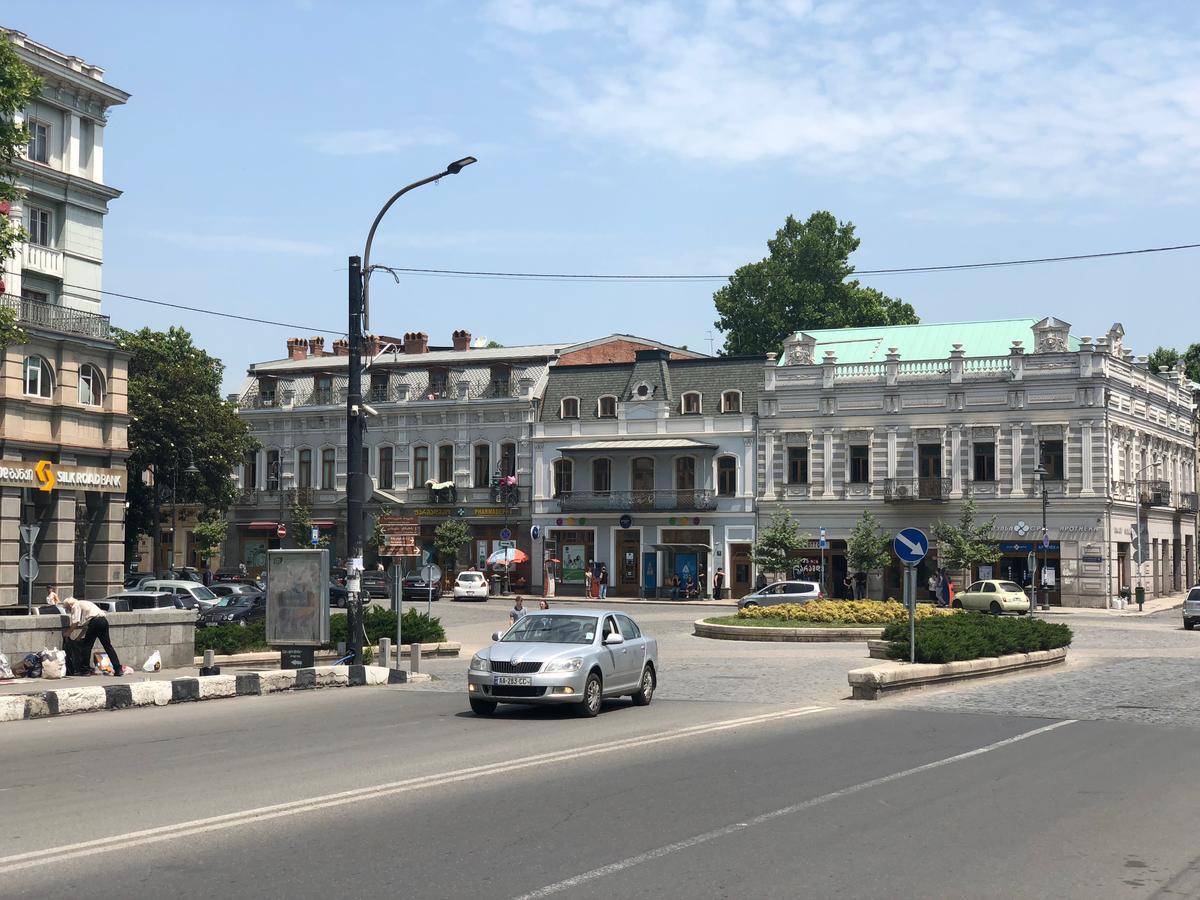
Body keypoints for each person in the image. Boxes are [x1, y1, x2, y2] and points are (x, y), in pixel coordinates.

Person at [61, 597, 124, 676]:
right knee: (108, 646)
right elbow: (86, 627)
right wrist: (78, 638)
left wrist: (68, 633)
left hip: (94, 623)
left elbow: (75, 622)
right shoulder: (84, 603)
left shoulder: (75, 605)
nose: (68, 610)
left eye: (67, 608)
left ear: (70, 605)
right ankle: (118, 669)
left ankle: (85, 670)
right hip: (103, 621)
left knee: (87, 646)